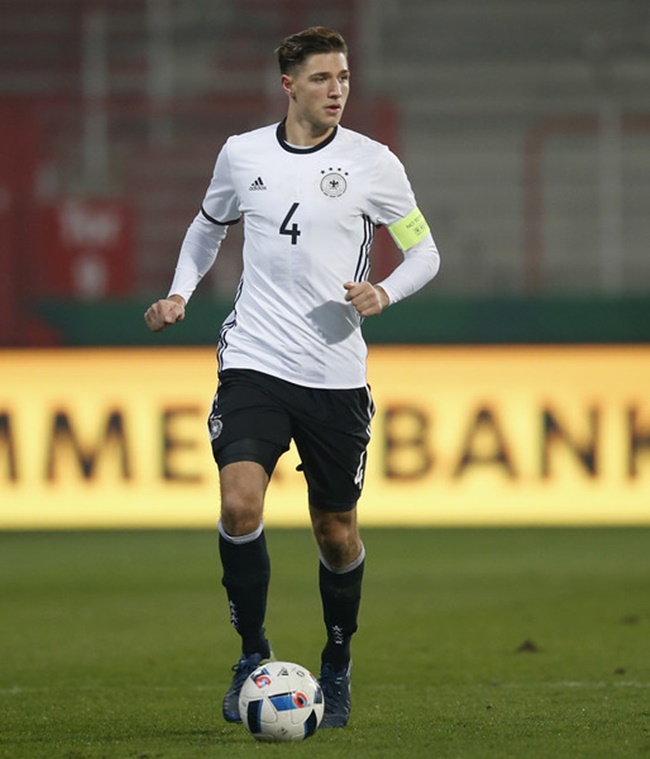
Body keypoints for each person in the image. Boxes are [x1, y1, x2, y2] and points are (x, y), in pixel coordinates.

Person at [144, 26, 440, 729]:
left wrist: (385, 291)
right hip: (255, 359)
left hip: (335, 375)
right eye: (322, 78)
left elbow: (425, 252)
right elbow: (207, 226)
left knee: (336, 531)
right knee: (240, 504)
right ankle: (253, 654)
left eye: (344, 77)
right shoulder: (242, 154)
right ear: (288, 85)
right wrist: (180, 291)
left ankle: (336, 661)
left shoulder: (373, 163)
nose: (337, 90)